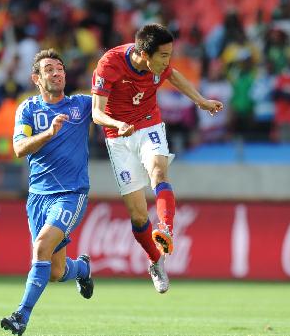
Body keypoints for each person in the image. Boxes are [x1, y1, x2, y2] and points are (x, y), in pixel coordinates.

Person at [91, 24, 223, 294]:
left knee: (159, 173)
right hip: (118, 135)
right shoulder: (110, 64)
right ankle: (155, 261)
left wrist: (200, 101)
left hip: (149, 123)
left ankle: (166, 230)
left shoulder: (160, 67)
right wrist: (118, 123)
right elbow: (96, 113)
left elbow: (174, 77)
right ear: (143, 53)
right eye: (163, 56)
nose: (167, 61)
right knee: (138, 216)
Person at [0, 49, 94, 336]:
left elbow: (112, 103)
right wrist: (48, 134)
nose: (57, 73)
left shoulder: (82, 105)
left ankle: (21, 315)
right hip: (38, 197)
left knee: (40, 246)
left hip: (71, 192)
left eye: (60, 68)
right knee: (55, 271)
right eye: (50, 69)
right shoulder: (28, 110)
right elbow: (18, 149)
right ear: (36, 78)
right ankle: (82, 270)